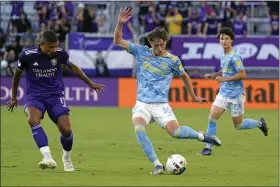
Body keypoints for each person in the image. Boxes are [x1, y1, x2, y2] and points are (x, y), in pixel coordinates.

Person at [113, 7, 222, 175]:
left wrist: (192, 96)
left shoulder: (172, 60)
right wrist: (120, 23)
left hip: (161, 105)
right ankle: (157, 165)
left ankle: (203, 137)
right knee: (139, 129)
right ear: (150, 43)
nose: (159, 47)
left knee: (176, 133)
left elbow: (184, 76)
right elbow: (118, 40)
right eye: (156, 45)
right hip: (142, 104)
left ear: (165, 42)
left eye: (162, 44)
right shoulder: (141, 52)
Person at [7, 30, 105, 171]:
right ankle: (47, 157)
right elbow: (16, 75)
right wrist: (14, 96)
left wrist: (90, 83)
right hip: (35, 97)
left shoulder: (61, 54)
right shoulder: (27, 56)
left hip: (55, 96)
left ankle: (66, 158)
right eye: (51, 47)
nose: (54, 50)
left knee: (66, 129)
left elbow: (73, 68)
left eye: (56, 46)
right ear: (42, 45)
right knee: (32, 120)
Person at [199, 27, 268, 156]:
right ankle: (208, 147)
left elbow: (243, 74)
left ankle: (259, 123)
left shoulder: (235, 57)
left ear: (232, 41)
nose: (223, 41)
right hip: (223, 94)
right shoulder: (222, 55)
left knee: (238, 125)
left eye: (226, 38)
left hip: (236, 96)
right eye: (221, 38)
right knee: (212, 118)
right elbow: (225, 70)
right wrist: (214, 75)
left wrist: (224, 79)